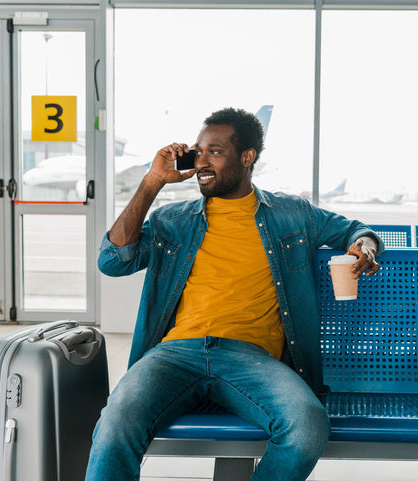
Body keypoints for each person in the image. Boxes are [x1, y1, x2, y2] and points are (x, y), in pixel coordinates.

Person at [85, 107, 383, 481]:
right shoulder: (173, 220)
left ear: (247, 157)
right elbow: (113, 261)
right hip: (175, 355)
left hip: (252, 359)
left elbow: (357, 229)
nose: (201, 160)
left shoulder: (293, 215)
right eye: (198, 150)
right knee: (114, 424)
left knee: (307, 425)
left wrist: (365, 246)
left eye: (215, 151)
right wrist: (152, 183)